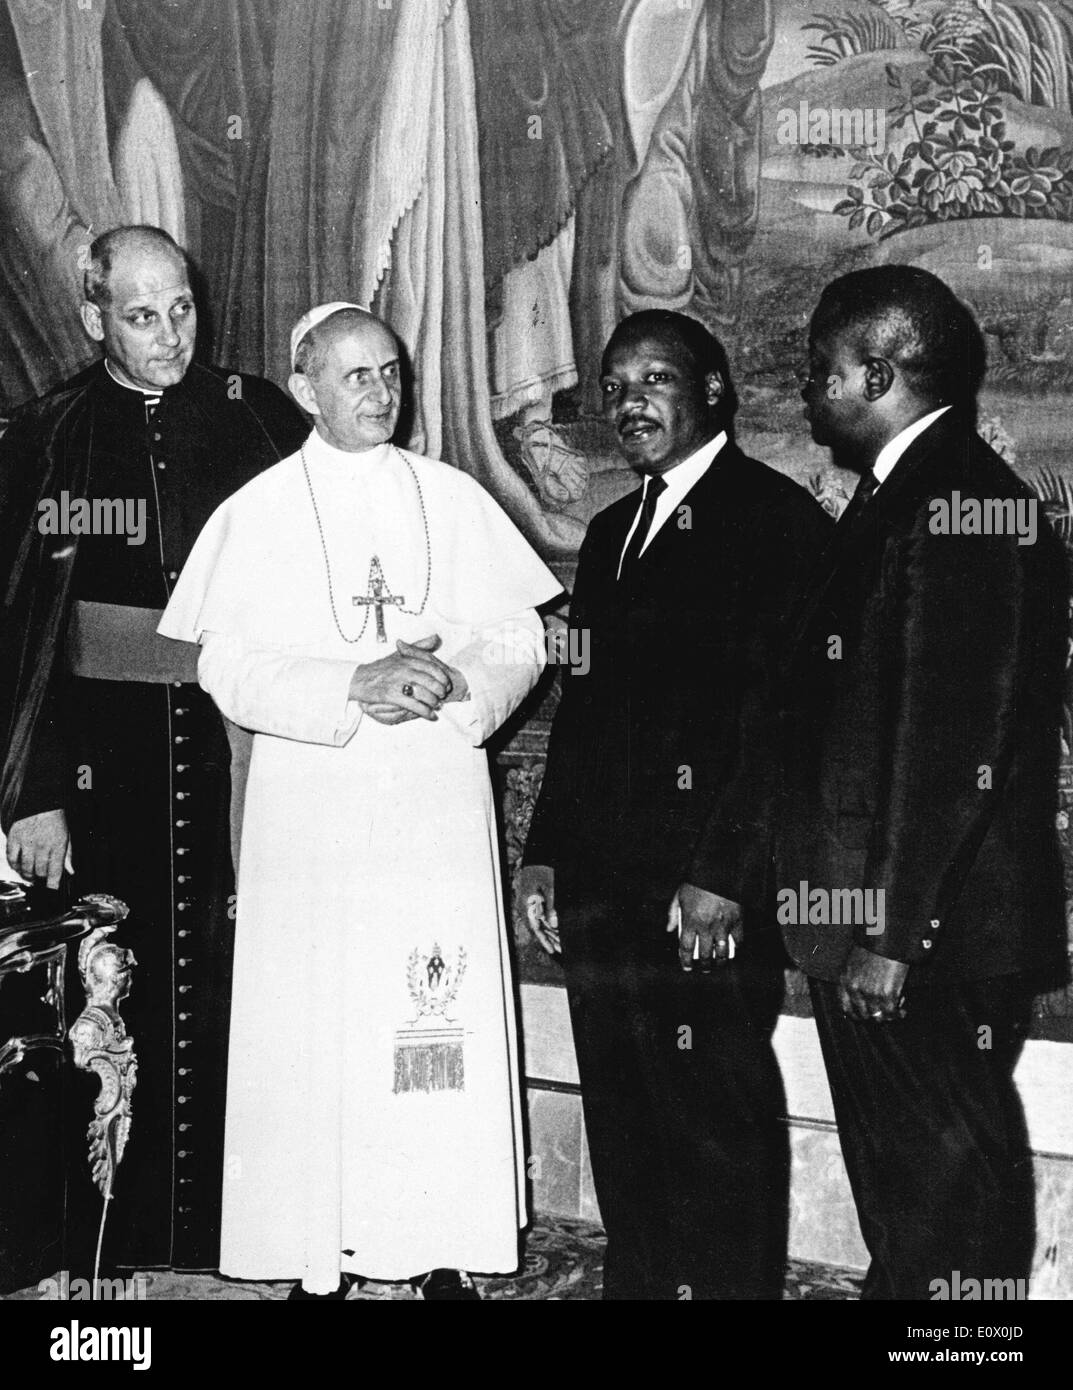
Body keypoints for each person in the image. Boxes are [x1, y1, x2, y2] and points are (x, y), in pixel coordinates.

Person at [159, 302, 561, 1300]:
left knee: (426, 1025)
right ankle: (316, 1246)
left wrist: (459, 683)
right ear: (304, 390)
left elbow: (519, 634)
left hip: (429, 802)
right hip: (313, 808)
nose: (380, 392)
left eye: (389, 372)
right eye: (355, 377)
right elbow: (232, 666)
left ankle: (435, 1238)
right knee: (318, 1025)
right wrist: (351, 685)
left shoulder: (450, 495)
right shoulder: (256, 512)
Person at [0, 223, 307, 1281]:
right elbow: (15, 629)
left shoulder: (258, 415)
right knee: (114, 1005)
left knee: (243, 990)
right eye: (140, 315)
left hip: (244, 752)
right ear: (92, 318)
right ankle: (113, 1251)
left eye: (181, 308)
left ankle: (240, 1238)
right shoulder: (45, 435)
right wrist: (32, 792)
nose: (171, 336)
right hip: (105, 764)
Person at [520, 309, 831, 1300]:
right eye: (614, 387)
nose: (629, 402)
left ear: (711, 392)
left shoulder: (776, 525)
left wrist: (720, 880)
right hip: (604, 890)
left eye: (654, 379)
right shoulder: (614, 530)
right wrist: (542, 853)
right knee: (622, 1106)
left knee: (715, 1117)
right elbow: (584, 709)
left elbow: (790, 728)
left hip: (705, 896)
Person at [779, 266, 1069, 1299]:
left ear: (876, 369)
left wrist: (892, 936)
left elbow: (947, 748)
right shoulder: (912, 493)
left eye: (821, 370)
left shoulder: (960, 505)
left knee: (946, 1211)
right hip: (891, 926)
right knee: (914, 1208)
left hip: (916, 939)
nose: (807, 391)